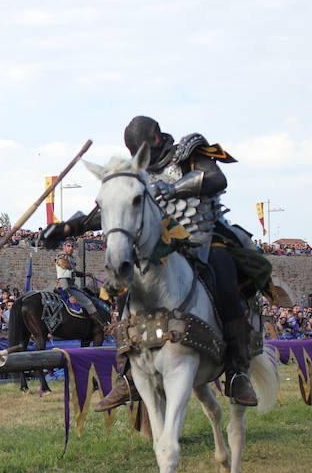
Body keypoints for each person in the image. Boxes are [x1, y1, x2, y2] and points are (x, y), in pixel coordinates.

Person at [42, 115, 267, 408]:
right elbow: (117, 208)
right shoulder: (136, 171)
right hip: (158, 243)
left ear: (158, 139)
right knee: (123, 285)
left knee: (223, 271)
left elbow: (215, 178)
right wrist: (70, 227)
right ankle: (128, 376)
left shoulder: (190, 150)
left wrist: (173, 189)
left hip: (201, 235)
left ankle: (237, 370)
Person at [55, 239, 105, 330]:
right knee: (89, 303)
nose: (71, 248)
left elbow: (73, 272)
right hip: (66, 288)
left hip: (72, 286)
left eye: (72, 246)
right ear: (64, 247)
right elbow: (63, 278)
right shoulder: (63, 259)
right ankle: (103, 327)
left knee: (88, 295)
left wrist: (85, 274)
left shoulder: (70, 258)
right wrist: (69, 295)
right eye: (68, 246)